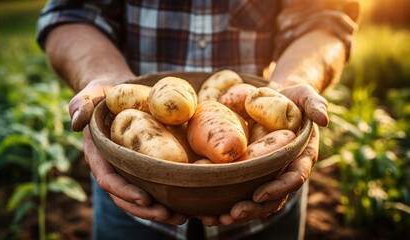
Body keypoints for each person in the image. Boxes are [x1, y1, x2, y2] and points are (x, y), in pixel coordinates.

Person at [36, 0, 359, 239]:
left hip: (266, 185)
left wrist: (294, 80)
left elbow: (325, 17)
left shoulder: (242, 121)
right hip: (131, 187)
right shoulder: (146, 113)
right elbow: (71, 13)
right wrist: (107, 78)